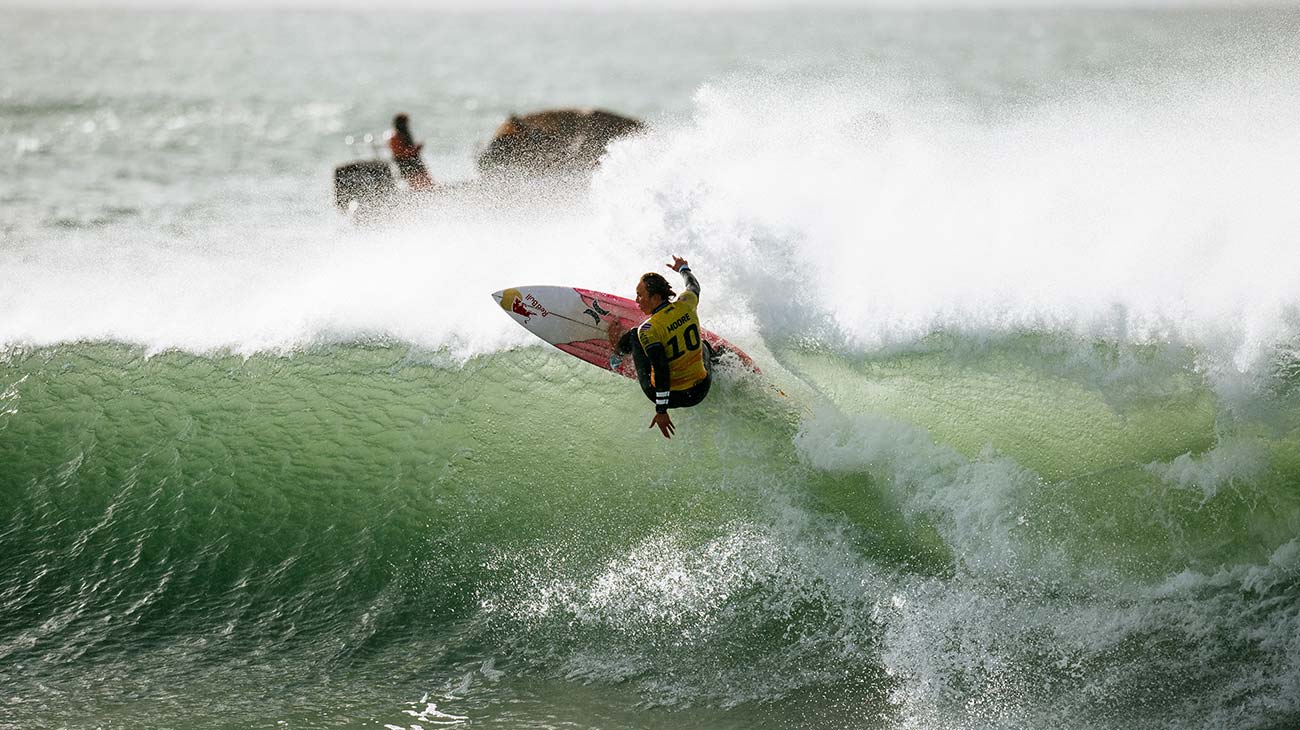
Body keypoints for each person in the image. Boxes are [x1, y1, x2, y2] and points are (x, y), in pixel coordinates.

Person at [607, 256, 712, 439]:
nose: (637, 300)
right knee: (703, 344)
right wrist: (683, 268)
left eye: (640, 295)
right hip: (701, 389)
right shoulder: (687, 303)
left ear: (655, 297)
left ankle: (617, 355)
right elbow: (693, 285)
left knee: (634, 334)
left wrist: (661, 410)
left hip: (671, 396)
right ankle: (715, 357)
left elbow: (662, 368)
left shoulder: (649, 329)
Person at [388, 113, 434, 190]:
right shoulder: (395, 137)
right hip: (406, 164)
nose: (407, 125)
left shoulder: (404, 134)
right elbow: (399, 153)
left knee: (428, 183)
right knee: (417, 185)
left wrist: (415, 150)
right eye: (405, 123)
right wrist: (415, 150)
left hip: (415, 162)